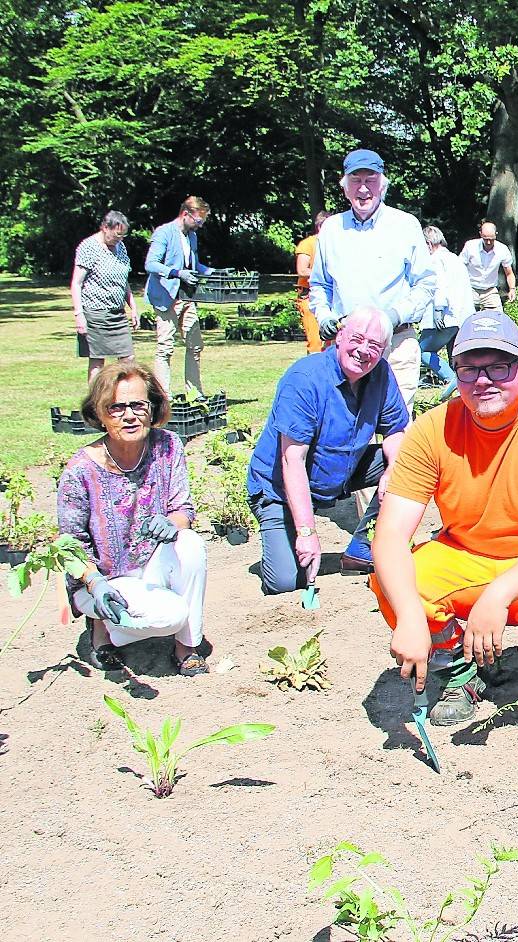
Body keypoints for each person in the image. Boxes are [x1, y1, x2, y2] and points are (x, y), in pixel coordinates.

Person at [372, 310, 518, 725]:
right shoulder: (431, 429)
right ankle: (460, 670)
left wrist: (497, 595)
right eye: (469, 368)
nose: (483, 380)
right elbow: (390, 534)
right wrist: (410, 617)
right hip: (467, 555)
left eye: (499, 366)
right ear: (455, 371)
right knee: (397, 582)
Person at [56, 362, 209, 676]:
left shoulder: (167, 446)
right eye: (116, 407)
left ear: (152, 409)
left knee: (191, 545)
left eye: (138, 405)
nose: (129, 415)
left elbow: (183, 509)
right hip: (102, 581)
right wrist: (95, 584)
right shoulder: (80, 471)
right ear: (99, 413)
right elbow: (69, 549)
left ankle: (186, 647)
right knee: (171, 615)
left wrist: (173, 523)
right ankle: (101, 628)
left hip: (150, 565)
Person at [245, 307, 408, 589]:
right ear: (340, 336)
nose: (363, 351)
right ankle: (282, 535)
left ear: (384, 350)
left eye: (374, 345)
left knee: (412, 463)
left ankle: (362, 549)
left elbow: (396, 431)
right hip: (280, 489)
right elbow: (291, 460)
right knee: (284, 582)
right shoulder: (305, 380)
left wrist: (392, 470)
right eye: (357, 339)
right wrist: (307, 532)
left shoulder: (381, 373)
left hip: (341, 469)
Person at [309, 148, 436, 411]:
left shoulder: (405, 225)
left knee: (398, 429)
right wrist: (324, 316)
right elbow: (320, 285)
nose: (363, 189)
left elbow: (425, 284)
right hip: (347, 346)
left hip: (397, 343)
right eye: (356, 180)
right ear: (344, 187)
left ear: (382, 185)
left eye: (371, 180)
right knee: (345, 425)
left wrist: (393, 315)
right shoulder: (332, 229)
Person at [145, 196, 213, 397]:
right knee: (165, 347)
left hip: (186, 297)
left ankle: (195, 393)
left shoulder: (191, 236)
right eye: (198, 221)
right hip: (165, 297)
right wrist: (176, 272)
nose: (200, 226)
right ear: (186, 214)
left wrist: (213, 271)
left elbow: (194, 265)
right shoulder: (164, 233)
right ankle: (163, 396)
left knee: (195, 346)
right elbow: (151, 264)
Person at [71, 211, 137, 383]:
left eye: (123, 236)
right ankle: (94, 405)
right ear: (104, 227)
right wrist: (79, 315)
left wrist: (133, 307)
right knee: (97, 362)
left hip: (118, 314)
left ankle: (124, 399)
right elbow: (76, 283)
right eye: (116, 235)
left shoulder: (120, 247)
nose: (119, 239)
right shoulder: (88, 247)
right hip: (95, 313)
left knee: (128, 359)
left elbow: (124, 280)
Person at [418, 225, 476, 396]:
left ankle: (451, 378)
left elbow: (440, 286)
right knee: (455, 355)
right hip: (462, 316)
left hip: (445, 316)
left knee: (421, 350)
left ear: (428, 244)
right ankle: (459, 383)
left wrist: (438, 310)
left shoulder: (435, 260)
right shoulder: (455, 259)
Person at [294, 211, 334, 355]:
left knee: (333, 340)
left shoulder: (334, 245)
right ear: (320, 227)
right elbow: (302, 270)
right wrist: (326, 273)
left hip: (332, 297)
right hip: (309, 297)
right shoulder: (307, 244)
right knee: (316, 342)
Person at [460, 221, 516, 311]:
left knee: (498, 319)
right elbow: (460, 268)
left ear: (496, 235)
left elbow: (509, 273)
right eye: (486, 239)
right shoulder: (470, 246)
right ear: (480, 234)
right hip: (470, 289)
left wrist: (512, 289)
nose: (489, 242)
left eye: (492, 239)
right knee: (465, 318)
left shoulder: (502, 249)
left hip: (490, 291)